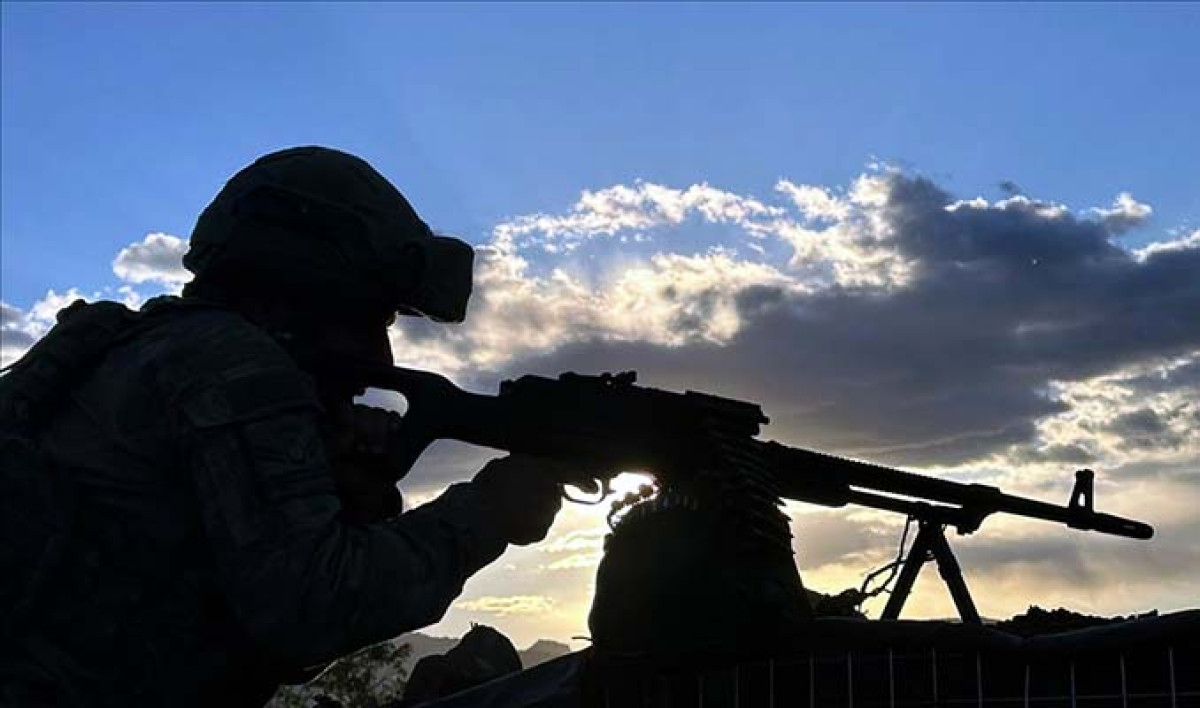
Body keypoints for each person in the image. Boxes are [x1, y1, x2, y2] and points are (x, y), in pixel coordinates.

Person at [0, 147, 578, 707]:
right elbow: (309, 611)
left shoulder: (153, 348)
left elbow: (258, 638)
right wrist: (488, 512)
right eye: (374, 318)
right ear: (311, 286)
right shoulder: (232, 365)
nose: (380, 355)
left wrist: (349, 505)